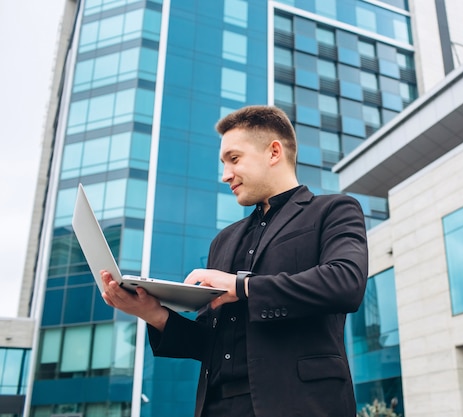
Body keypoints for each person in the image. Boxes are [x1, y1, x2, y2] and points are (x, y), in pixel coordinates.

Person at [100, 105, 369, 417]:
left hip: (301, 405)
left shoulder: (335, 210)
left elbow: (346, 283)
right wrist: (153, 314)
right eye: (223, 163)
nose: (225, 174)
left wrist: (243, 286)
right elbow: (208, 343)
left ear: (273, 152)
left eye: (234, 159)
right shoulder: (223, 241)